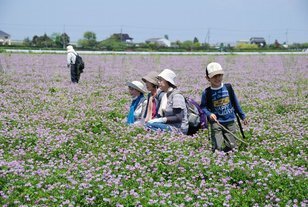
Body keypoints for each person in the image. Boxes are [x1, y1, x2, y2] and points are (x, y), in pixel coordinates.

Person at [200, 62, 248, 152]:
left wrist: (242, 116)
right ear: (207, 78)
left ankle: (227, 157)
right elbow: (203, 107)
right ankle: (217, 156)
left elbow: (235, 102)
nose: (217, 78)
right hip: (216, 122)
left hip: (230, 121)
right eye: (214, 76)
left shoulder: (228, 88)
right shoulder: (207, 92)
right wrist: (209, 114)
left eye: (220, 75)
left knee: (231, 146)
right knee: (217, 147)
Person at [146, 69, 188, 134]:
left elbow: (178, 117)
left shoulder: (177, 96)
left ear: (168, 81)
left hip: (178, 128)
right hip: (169, 125)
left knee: (150, 125)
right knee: (147, 125)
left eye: (161, 80)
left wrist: (162, 120)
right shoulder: (166, 95)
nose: (159, 82)